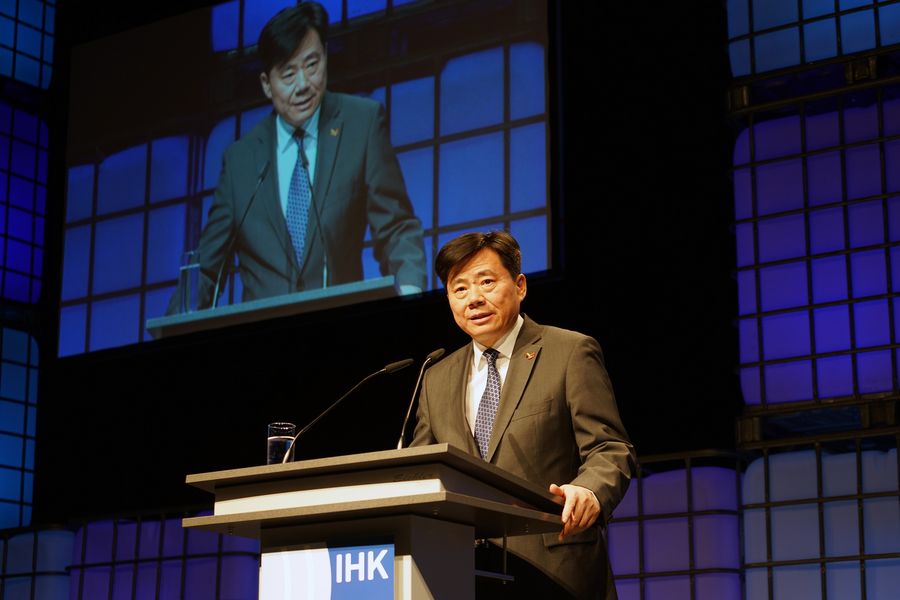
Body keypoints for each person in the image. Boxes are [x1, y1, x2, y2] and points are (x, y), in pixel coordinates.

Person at [411, 231, 635, 599]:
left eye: (486, 282)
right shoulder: (436, 377)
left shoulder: (569, 352)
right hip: (462, 573)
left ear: (519, 286)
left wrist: (589, 490)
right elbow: (422, 471)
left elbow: (611, 449)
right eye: (460, 288)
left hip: (554, 569)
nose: (474, 298)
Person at [177, 2, 426, 311]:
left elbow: (396, 228)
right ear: (267, 85)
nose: (304, 84)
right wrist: (175, 326)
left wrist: (410, 292)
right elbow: (206, 270)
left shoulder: (361, 124)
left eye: (312, 65)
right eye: (288, 74)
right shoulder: (240, 161)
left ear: (325, 56)